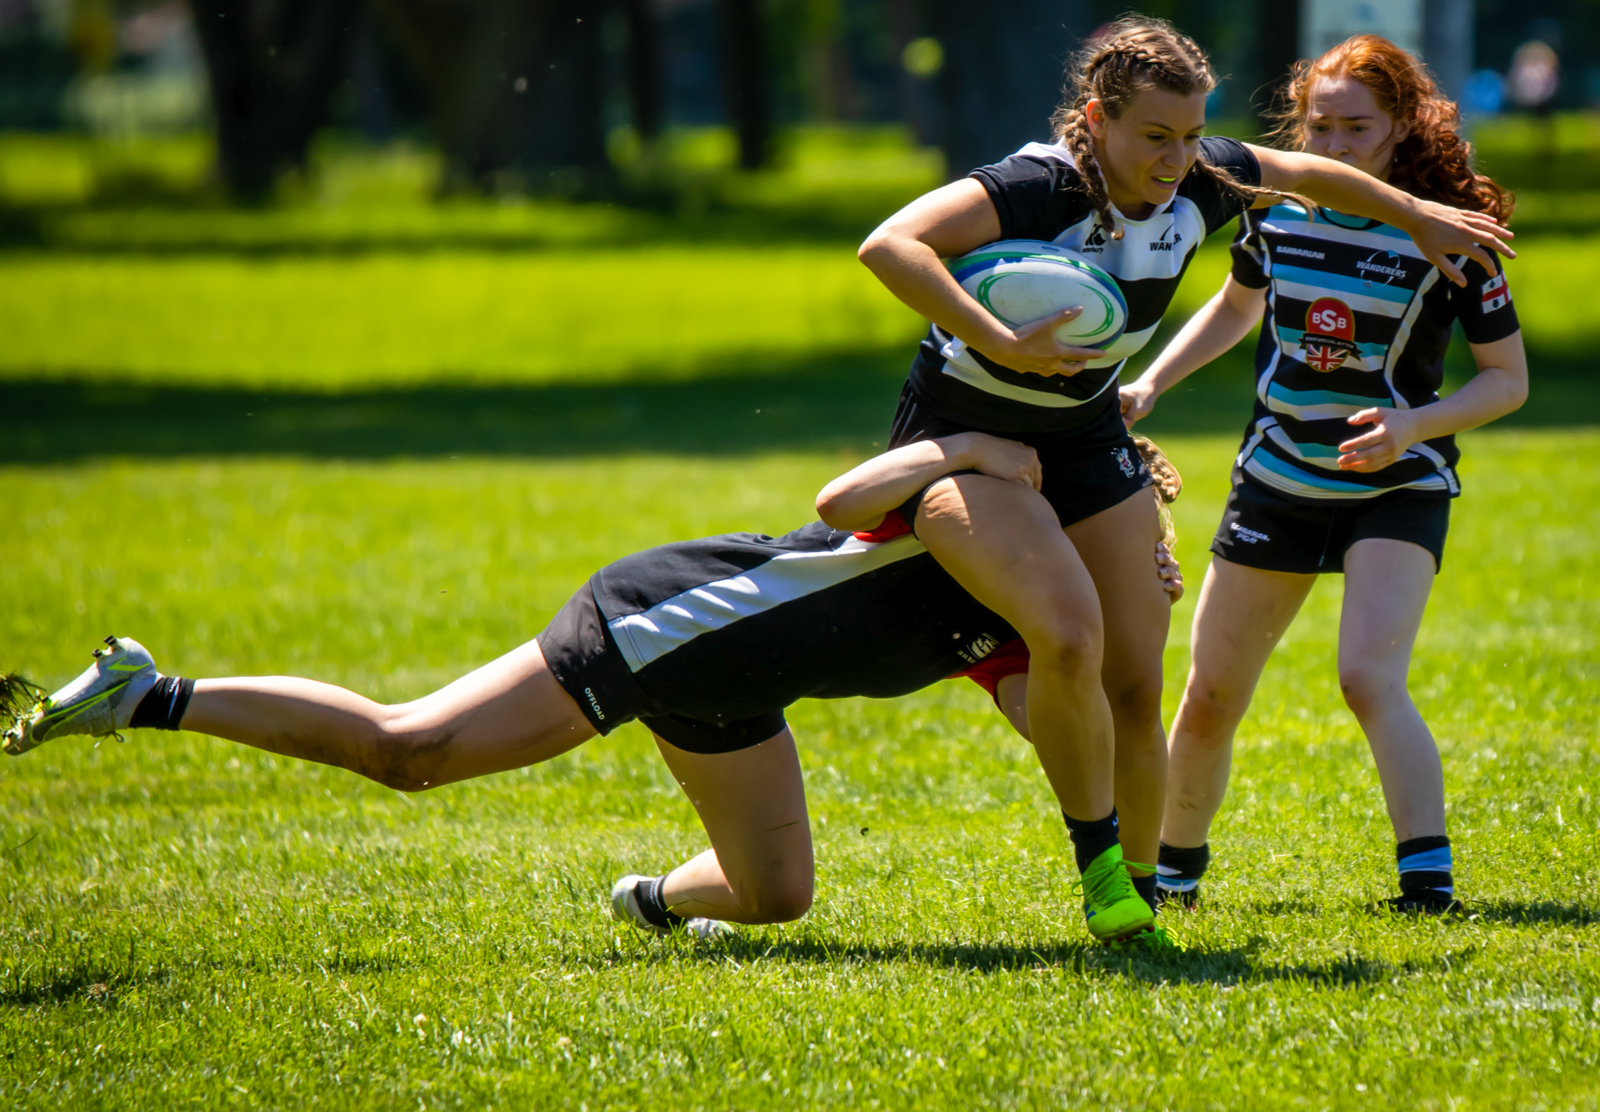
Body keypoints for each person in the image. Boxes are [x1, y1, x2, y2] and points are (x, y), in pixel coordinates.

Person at [2, 433, 1182, 945]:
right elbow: (840, 500)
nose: (1153, 549)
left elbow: (1062, 732)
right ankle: (150, 692)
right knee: (410, 750)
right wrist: (966, 450)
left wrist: (1138, 646)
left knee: (774, 896)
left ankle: (648, 901)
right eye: (1145, 533)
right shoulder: (979, 517)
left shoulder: (1042, 630)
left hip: (728, 692)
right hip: (671, 619)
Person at [855, 16, 1514, 917]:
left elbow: (1305, 174)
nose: (1178, 159)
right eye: (1156, 136)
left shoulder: (1203, 179)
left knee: (1137, 680)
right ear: (1098, 120)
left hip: (1085, 437)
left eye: (1194, 135)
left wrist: (1415, 214)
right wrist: (998, 337)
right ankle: (1100, 866)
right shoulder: (1038, 186)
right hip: (966, 431)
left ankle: (1144, 893)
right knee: (1068, 640)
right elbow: (890, 244)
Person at [1118, 35, 1527, 913]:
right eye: (1320, 127)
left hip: (1396, 482)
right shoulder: (1276, 212)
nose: (1335, 146)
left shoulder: (1447, 232)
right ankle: (1174, 874)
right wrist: (1152, 381)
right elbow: (1236, 307)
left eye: (1357, 127)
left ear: (1402, 126)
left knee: (1367, 677)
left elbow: (1508, 381)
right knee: (1211, 692)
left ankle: (1427, 884)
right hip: (1279, 477)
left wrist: (1412, 425)